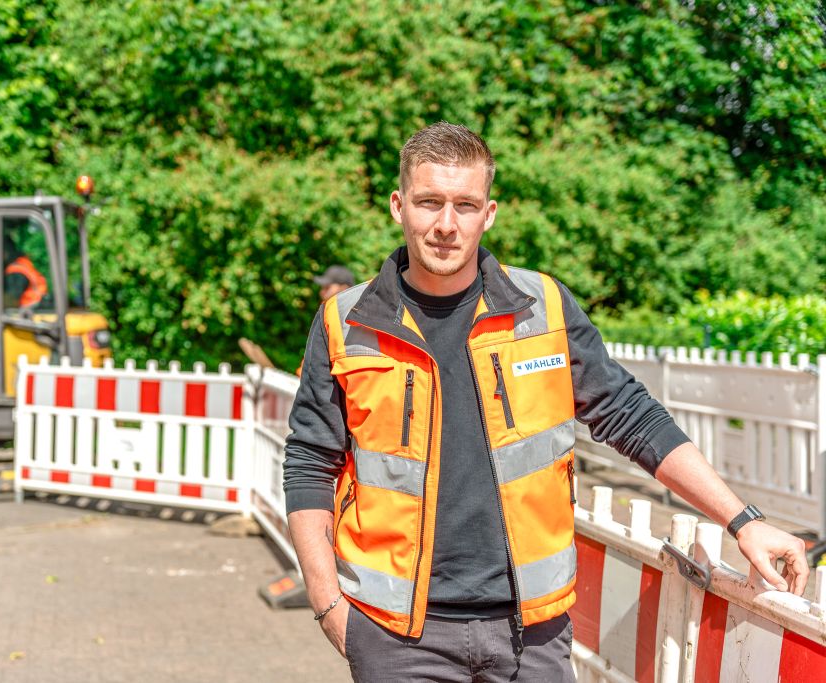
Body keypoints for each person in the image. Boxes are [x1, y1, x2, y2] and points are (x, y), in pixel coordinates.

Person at [282, 122, 808, 682]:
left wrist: (743, 521)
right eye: (428, 202)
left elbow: (631, 416)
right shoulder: (348, 322)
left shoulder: (544, 308)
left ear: (489, 213)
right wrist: (329, 605)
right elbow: (309, 463)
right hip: (396, 638)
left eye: (465, 205)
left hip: (531, 637)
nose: (445, 224)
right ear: (398, 205)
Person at [3, 235, 47, 310]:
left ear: (5, 252)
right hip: (32, 309)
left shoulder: (16, 271)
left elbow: (10, 301)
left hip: (27, 313)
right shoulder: (23, 263)